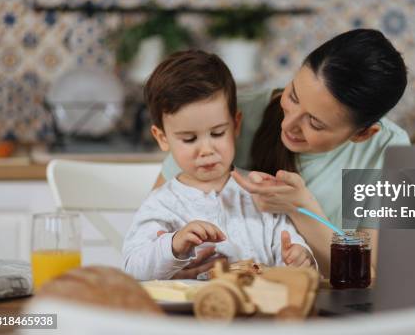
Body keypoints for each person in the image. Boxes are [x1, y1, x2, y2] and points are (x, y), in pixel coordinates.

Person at [157, 29, 409, 277]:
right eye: (294, 96)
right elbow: (154, 226)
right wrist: (173, 263)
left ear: (362, 134)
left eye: (316, 123)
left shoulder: (391, 149)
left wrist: (300, 208)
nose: (288, 125)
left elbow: (372, 275)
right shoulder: (223, 119)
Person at [123, 50, 315, 281]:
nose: (206, 150)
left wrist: (299, 255)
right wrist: (173, 245)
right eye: (189, 139)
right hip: (189, 314)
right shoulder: (162, 204)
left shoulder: (260, 191)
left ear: (235, 125)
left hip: (259, 312)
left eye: (217, 133)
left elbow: (288, 244)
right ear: (162, 137)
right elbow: (133, 268)